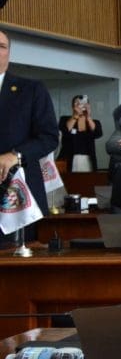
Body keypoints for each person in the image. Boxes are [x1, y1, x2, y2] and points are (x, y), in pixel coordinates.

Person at [0, 30, 59, 242]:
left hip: (17, 195)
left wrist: (15, 155)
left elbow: (49, 137)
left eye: (2, 46)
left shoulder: (31, 89)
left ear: (9, 53)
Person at [58, 94, 102, 172]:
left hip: (87, 159)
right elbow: (64, 131)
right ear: (72, 106)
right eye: (76, 103)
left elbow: (98, 133)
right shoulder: (64, 119)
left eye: (82, 103)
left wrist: (88, 117)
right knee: (68, 182)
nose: (79, 105)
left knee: (88, 182)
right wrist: (75, 115)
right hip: (68, 158)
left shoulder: (94, 122)